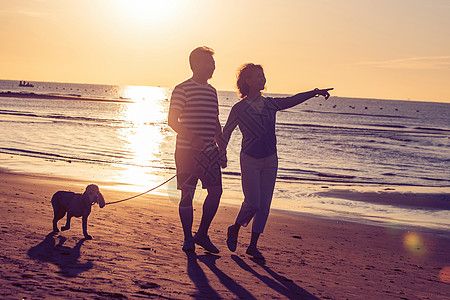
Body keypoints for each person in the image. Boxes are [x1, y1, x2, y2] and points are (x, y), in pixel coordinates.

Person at [220, 63, 332, 260]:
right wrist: (221, 153)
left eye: (263, 76)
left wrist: (314, 92)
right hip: (249, 159)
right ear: (247, 81)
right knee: (253, 202)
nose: (262, 79)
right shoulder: (239, 109)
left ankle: (253, 246)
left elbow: (292, 100)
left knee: (264, 205)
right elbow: (226, 132)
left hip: (270, 159)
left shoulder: (270, 104)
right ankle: (235, 228)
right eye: (257, 76)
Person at [168, 46, 226, 253]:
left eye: (213, 64)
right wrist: (192, 138)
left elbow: (215, 121)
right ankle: (187, 238)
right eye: (209, 63)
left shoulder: (212, 91)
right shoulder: (182, 89)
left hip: (210, 152)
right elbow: (172, 121)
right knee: (187, 195)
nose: (213, 67)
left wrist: (222, 148)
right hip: (186, 153)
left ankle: (201, 234)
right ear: (195, 65)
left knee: (216, 192)